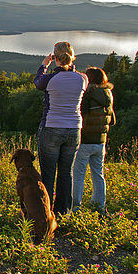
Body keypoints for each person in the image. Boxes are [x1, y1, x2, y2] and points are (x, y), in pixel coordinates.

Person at [34, 41, 88, 215]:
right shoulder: (83, 79)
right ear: (72, 58)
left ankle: (46, 212)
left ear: (55, 58)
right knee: (66, 173)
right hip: (74, 130)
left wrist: (44, 65)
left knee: (48, 174)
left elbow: (38, 82)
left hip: (51, 128)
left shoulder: (50, 79)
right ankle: (63, 213)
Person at [72, 67, 116, 214]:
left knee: (78, 175)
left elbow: (81, 118)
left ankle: (76, 207)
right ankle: (100, 207)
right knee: (98, 174)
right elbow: (113, 121)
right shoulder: (108, 94)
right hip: (101, 142)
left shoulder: (87, 95)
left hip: (85, 142)